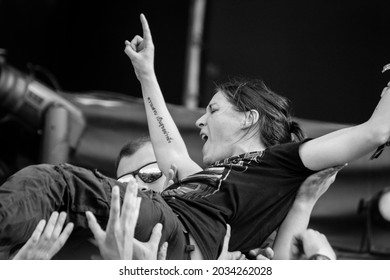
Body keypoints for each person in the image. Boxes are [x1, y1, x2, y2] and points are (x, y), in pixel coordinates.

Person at [122, 13, 390, 260]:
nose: (200, 120)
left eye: (213, 110)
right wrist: (146, 74)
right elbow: (173, 153)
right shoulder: (212, 184)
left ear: (249, 118)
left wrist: (304, 202)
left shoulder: (276, 164)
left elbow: (375, 131)